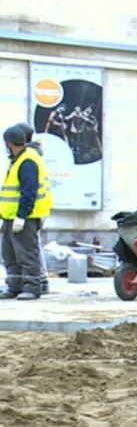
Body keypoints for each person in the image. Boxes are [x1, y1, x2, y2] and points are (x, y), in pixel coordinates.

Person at [2, 125, 53, 300]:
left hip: (25, 218)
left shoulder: (27, 161)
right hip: (10, 217)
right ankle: (14, 286)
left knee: (26, 253)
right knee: (10, 254)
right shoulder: (17, 160)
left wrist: (21, 216)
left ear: (9, 143)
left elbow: (28, 192)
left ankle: (32, 287)